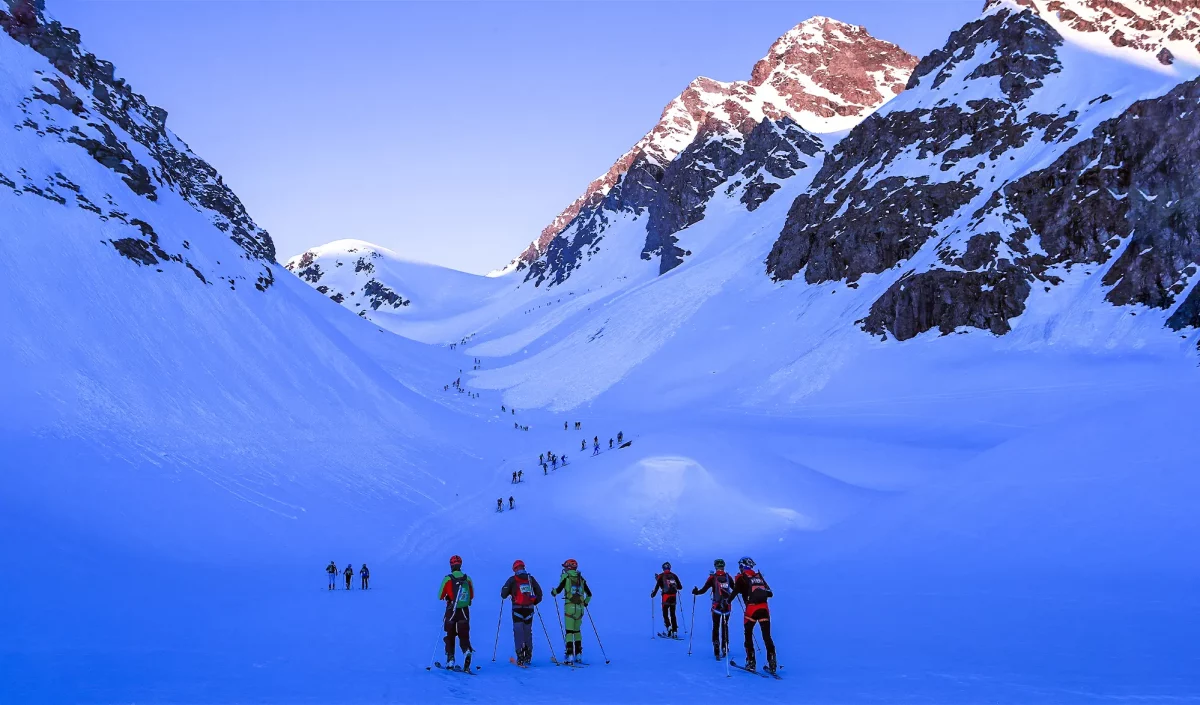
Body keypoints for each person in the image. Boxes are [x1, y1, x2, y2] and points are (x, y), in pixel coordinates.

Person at [733, 557, 776, 673]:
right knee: (767, 636)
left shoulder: (741, 577)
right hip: (764, 609)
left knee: (748, 634)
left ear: (742, 566)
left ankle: (751, 662)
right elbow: (770, 593)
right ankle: (772, 662)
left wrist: (725, 602)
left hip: (751, 609)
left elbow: (733, 593)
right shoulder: (758, 577)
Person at [500, 560, 543, 665]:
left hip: (517, 609)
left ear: (514, 569)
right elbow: (540, 593)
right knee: (528, 631)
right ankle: (528, 656)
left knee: (518, 632)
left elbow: (503, 595)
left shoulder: (512, 580)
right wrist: (534, 602)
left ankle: (520, 656)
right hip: (529, 608)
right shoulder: (530, 579)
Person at [550, 558, 592, 664]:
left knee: (569, 632)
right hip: (580, 608)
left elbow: (558, 590)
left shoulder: (566, 577)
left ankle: (569, 656)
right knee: (577, 631)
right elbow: (589, 594)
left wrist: (553, 592)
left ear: (568, 567)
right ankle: (578, 654)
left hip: (569, 607)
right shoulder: (581, 579)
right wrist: (585, 603)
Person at [692, 559, 735, 660]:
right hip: (727, 607)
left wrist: (696, 592)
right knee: (725, 626)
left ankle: (716, 648)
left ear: (715, 567)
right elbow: (735, 589)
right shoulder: (728, 577)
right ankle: (725, 647)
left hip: (716, 606)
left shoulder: (713, 578)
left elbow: (703, 590)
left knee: (716, 627)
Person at [438, 555, 475, 670]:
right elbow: (471, 595)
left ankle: (450, 659)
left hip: (451, 611)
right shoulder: (467, 578)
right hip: (464, 611)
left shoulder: (448, 578)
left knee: (450, 635)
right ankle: (466, 651)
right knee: (464, 634)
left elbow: (440, 595)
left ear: (451, 565)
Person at [651, 561, 682, 637]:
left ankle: (668, 627)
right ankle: (675, 631)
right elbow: (680, 587)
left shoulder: (661, 576)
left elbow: (658, 587)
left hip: (665, 598)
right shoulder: (674, 575)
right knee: (673, 614)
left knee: (665, 614)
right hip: (673, 597)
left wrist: (653, 594)